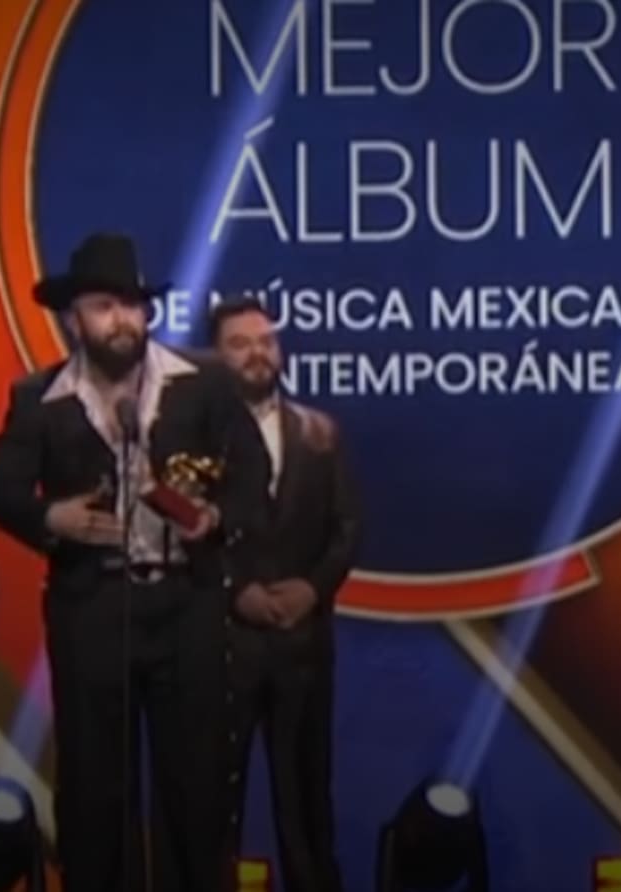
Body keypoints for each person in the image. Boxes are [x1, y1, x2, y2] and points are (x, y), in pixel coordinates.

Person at [0, 233, 273, 892]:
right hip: (92, 608)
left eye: (134, 305)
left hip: (187, 606)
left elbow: (252, 472)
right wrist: (47, 519)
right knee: (93, 791)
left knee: (194, 790)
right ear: (74, 318)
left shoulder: (203, 385)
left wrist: (217, 519)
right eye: (106, 307)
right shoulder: (39, 398)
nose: (123, 320)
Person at [209, 297, 359, 892]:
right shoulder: (192, 435)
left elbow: (349, 525)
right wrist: (233, 589)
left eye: (266, 341)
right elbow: (182, 526)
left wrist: (312, 588)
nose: (257, 353)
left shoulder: (318, 431)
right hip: (224, 648)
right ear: (214, 359)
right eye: (240, 344)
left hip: (303, 647)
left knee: (307, 809)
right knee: (215, 808)